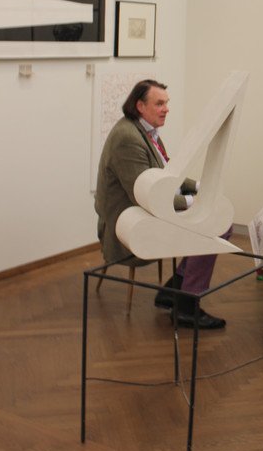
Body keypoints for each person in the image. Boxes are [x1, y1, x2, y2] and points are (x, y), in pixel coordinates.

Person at [95, 79, 225, 330]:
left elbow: (168, 173)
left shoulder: (145, 130)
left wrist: (199, 186)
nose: (166, 109)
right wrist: (192, 201)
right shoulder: (127, 138)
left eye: (167, 103)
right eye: (159, 104)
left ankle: (174, 289)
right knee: (212, 228)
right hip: (132, 221)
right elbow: (145, 196)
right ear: (140, 106)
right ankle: (185, 305)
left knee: (214, 225)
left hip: (148, 209)